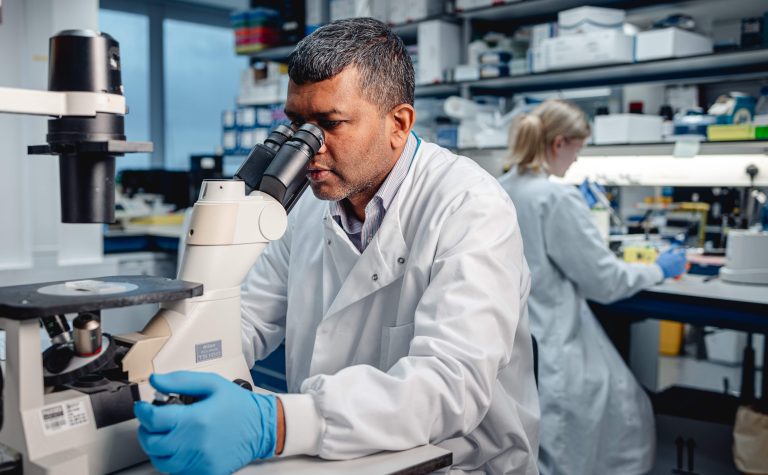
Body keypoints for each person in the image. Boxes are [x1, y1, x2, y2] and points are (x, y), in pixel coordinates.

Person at [134, 18, 540, 474]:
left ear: (399, 124)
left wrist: (276, 423)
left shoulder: (470, 206)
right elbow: (244, 318)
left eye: (330, 123)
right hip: (330, 458)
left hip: (454, 465)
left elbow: (449, 386)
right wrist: (153, 362)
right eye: (297, 125)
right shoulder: (308, 206)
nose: (309, 150)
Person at [497, 99, 687, 475]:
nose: (577, 160)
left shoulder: (499, 187)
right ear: (558, 144)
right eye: (578, 150)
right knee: (621, 419)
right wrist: (659, 270)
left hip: (511, 342)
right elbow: (606, 281)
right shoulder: (555, 197)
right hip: (555, 343)